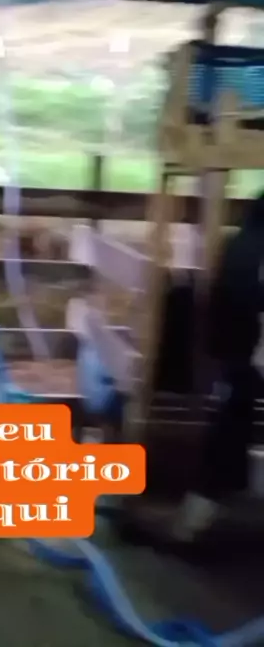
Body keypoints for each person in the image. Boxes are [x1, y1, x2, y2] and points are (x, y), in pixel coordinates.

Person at [173, 191, 264, 542]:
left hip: (238, 354)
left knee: (229, 425)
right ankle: (199, 513)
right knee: (230, 428)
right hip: (251, 349)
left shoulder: (240, 242)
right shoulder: (250, 248)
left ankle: (198, 515)